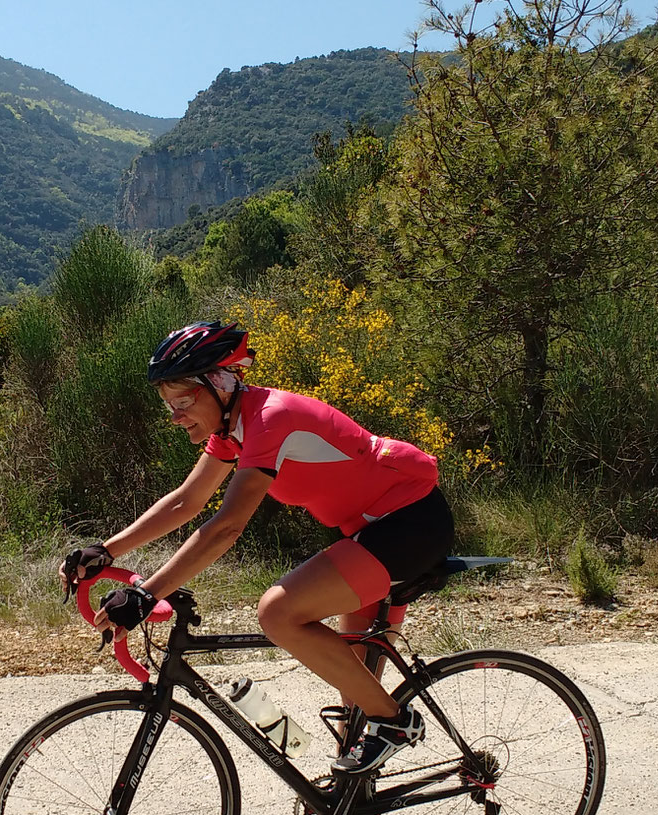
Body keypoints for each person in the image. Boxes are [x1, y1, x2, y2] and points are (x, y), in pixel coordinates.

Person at [60, 320, 454, 781]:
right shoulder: (233, 432)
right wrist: (104, 550)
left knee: (279, 613)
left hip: (409, 521)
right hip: (366, 533)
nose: (174, 415)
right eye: (168, 405)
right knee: (355, 711)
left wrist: (148, 592)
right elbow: (188, 500)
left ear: (221, 384)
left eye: (183, 401)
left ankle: (399, 724)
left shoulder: (271, 420)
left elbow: (227, 526)